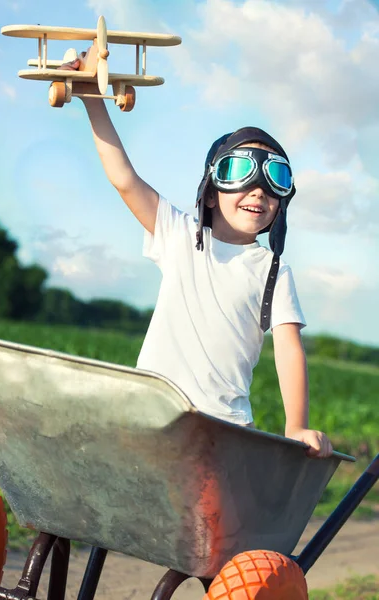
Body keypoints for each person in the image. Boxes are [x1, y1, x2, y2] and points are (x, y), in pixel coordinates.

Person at [61, 59, 332, 458]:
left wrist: (296, 425)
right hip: (151, 415)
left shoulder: (272, 270)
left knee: (208, 522)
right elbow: (124, 179)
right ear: (208, 192)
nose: (258, 191)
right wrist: (90, 99)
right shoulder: (180, 236)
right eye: (241, 171)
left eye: (274, 181)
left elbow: (289, 348)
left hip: (224, 431)